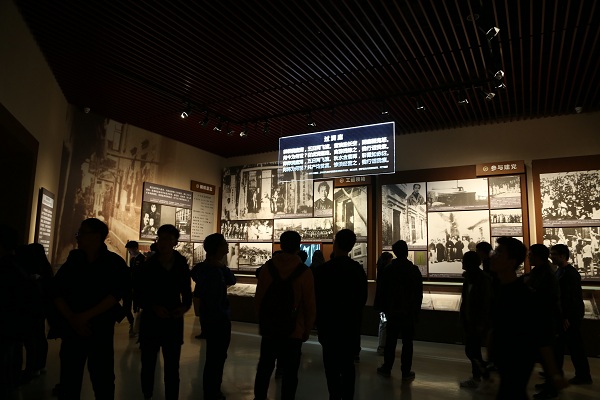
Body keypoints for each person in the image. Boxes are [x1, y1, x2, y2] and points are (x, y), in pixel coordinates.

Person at [51, 218, 130, 400]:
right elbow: (56, 291)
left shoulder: (113, 263)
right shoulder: (73, 260)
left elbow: (115, 294)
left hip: (99, 329)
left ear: (96, 236)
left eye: (82, 233)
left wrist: (80, 318)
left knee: (102, 380)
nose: (78, 237)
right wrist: (73, 318)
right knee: (69, 380)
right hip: (73, 328)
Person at [488, 237, 566, 400]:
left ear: (511, 262)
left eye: (499, 252)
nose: (493, 256)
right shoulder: (501, 288)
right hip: (506, 358)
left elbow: (541, 335)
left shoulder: (522, 295)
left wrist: (554, 374)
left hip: (518, 358)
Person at [254, 231, 316, 400]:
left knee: (265, 367)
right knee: (290, 372)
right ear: (299, 247)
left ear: (281, 245)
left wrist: (262, 321)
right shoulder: (305, 272)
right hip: (294, 330)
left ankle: (259, 397)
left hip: (270, 328)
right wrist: (306, 329)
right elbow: (309, 305)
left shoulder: (267, 268)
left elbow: (259, 298)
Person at [137, 224, 192, 400]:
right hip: (151, 320)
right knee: (148, 364)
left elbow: (186, 293)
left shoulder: (181, 264)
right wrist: (153, 307)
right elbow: (140, 294)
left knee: (172, 366)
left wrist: (184, 307)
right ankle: (147, 395)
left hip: (172, 319)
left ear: (175, 242)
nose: (163, 242)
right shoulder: (148, 265)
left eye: (168, 239)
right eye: (161, 238)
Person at [313, 229, 368, 400]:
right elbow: (362, 299)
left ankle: (334, 396)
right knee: (348, 366)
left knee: (331, 367)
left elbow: (317, 299)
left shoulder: (323, 270)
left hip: (328, 326)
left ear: (335, 244)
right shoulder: (357, 270)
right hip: (349, 325)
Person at [193, 233, 236, 400]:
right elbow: (231, 280)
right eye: (224, 243)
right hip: (218, 318)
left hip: (212, 317)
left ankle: (211, 389)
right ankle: (212, 391)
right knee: (216, 357)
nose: (227, 245)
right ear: (218, 248)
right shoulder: (213, 270)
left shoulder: (207, 268)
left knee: (215, 356)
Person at [374, 240, 423, 381]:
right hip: (408, 312)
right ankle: (406, 371)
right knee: (408, 343)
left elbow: (383, 291)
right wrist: (416, 311)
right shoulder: (413, 270)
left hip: (393, 311)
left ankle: (387, 367)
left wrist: (383, 308)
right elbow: (418, 293)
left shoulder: (389, 269)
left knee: (390, 341)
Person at [550, 244, 592, 385]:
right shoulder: (561, 271)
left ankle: (583, 375)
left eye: (554, 254)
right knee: (563, 345)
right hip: (565, 315)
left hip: (570, 316)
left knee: (575, 346)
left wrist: (567, 317)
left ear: (562, 256)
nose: (551, 256)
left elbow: (572, 298)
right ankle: (557, 373)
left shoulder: (570, 273)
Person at [525, 244, 562, 399]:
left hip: (544, 320)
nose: (528, 257)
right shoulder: (540, 271)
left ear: (537, 256)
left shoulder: (546, 274)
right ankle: (550, 384)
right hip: (541, 319)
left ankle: (552, 388)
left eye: (530, 254)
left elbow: (548, 298)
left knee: (547, 355)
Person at [19, 243, 54, 382]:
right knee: (39, 337)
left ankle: (32, 368)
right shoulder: (46, 269)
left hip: (32, 309)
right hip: (42, 308)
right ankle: (40, 365)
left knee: (31, 339)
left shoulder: (33, 271)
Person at [458, 251, 492, 389]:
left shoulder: (482, 280)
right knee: (473, 350)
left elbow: (485, 303)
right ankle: (481, 375)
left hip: (477, 322)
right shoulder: (470, 278)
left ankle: (482, 374)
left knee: (472, 350)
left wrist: (481, 323)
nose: (462, 263)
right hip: (470, 320)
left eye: (464, 261)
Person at [374, 251, 393, 355]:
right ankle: (382, 347)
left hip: (382, 304)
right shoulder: (387, 272)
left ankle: (382, 346)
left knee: (383, 324)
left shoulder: (380, 272)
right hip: (386, 304)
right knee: (384, 324)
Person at [125, 240, 145, 338]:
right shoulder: (132, 260)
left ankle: (136, 328)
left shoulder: (142, 259)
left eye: (130, 249)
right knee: (127, 308)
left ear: (135, 248)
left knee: (137, 308)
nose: (129, 252)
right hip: (131, 288)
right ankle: (132, 324)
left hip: (138, 289)